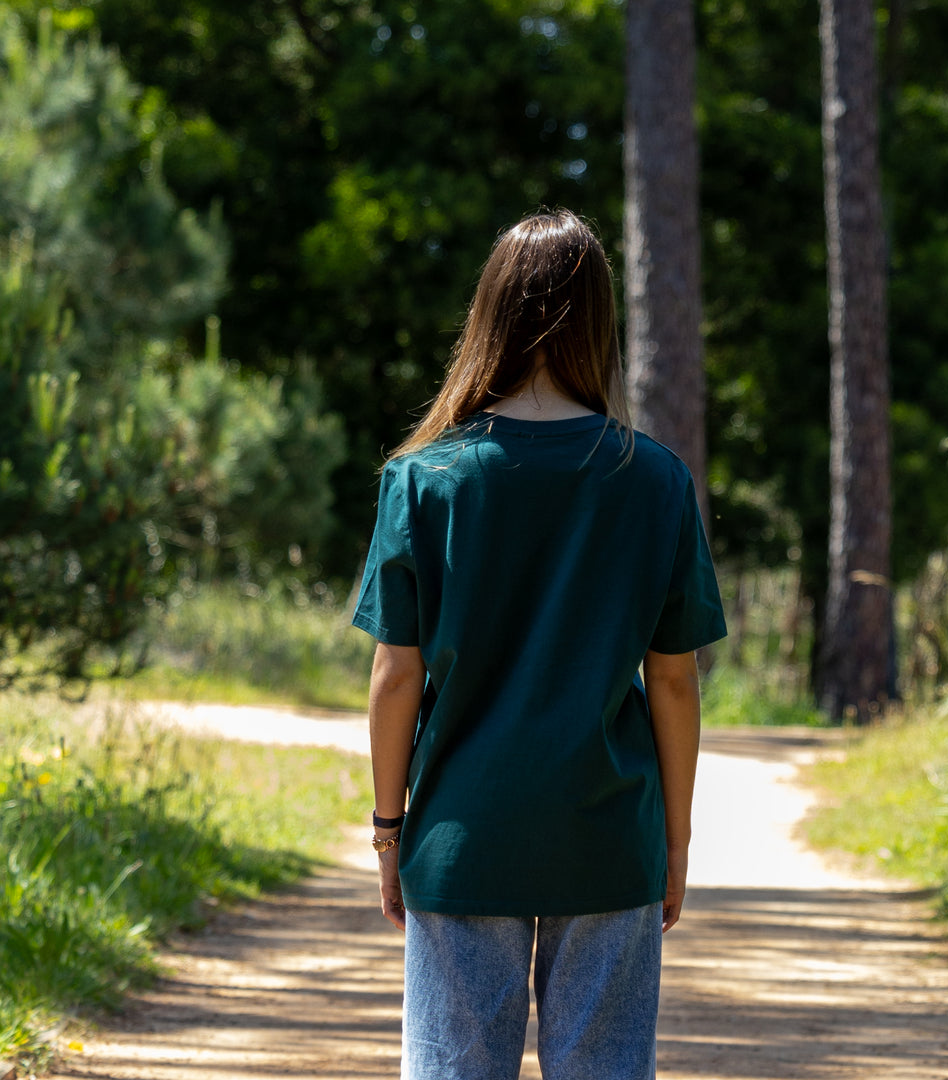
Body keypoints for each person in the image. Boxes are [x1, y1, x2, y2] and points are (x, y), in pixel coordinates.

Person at [352, 208, 726, 1080]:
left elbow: (394, 677)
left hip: (460, 838)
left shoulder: (424, 479)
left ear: (489, 315)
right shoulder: (657, 480)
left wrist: (387, 833)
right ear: (600, 320)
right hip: (607, 841)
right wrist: (673, 844)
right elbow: (673, 682)